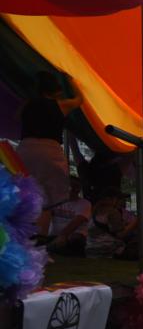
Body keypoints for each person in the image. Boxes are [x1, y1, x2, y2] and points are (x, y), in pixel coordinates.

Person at [16, 71, 82, 235]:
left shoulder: (28, 104)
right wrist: (72, 81)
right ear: (56, 90)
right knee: (48, 200)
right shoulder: (60, 105)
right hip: (49, 151)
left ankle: (24, 234)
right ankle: (41, 236)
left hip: (26, 149)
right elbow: (79, 100)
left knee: (27, 192)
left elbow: (18, 117)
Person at [85, 187, 137, 259]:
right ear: (111, 199)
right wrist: (136, 222)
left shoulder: (95, 210)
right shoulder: (113, 212)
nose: (122, 202)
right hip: (108, 250)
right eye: (119, 199)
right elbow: (120, 234)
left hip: (91, 249)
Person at [47, 175, 90, 256]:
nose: (73, 189)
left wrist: (63, 235)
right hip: (54, 236)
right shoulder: (55, 201)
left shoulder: (84, 204)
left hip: (73, 237)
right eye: (71, 186)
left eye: (76, 187)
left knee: (75, 239)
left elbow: (76, 222)